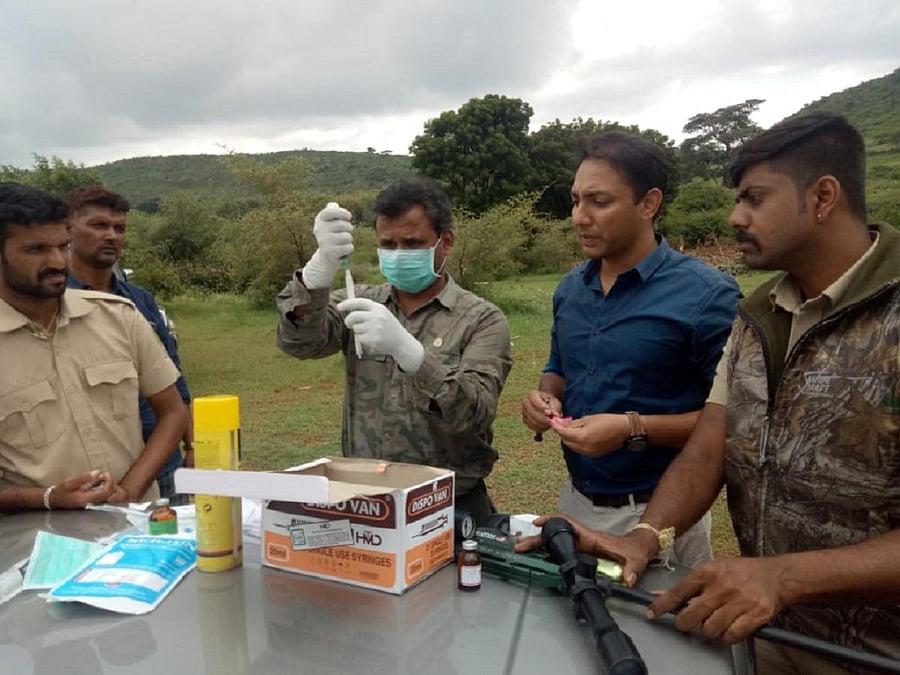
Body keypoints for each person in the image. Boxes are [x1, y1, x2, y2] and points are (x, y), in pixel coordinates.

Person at [518, 113, 900, 673]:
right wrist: (645, 537)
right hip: (766, 629)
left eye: (753, 198)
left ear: (822, 198)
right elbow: (708, 443)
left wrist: (784, 576)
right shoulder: (759, 316)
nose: (733, 217)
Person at [521, 132, 740, 567]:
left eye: (599, 202)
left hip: (661, 513)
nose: (579, 217)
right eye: (575, 200)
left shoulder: (706, 295)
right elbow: (558, 365)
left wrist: (630, 427)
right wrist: (546, 396)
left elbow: (732, 418)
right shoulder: (571, 289)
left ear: (648, 204)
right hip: (577, 502)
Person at [276, 178, 512, 524]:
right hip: (364, 498)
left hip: (448, 505)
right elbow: (300, 342)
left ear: (445, 242)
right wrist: (318, 271)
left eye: (412, 243)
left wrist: (413, 356)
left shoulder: (482, 319)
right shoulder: (361, 303)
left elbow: (474, 413)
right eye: (388, 244)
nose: (399, 254)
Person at [0, 183, 189, 511]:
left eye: (63, 246)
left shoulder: (119, 315)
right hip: (39, 544)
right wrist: (47, 498)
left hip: (140, 529)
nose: (58, 261)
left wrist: (129, 491)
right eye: (37, 250)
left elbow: (173, 411)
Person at [66, 186, 193, 504]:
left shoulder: (139, 301)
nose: (111, 235)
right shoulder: (53, 303)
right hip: (92, 476)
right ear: (67, 230)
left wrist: (194, 446)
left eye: (118, 228)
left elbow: (175, 381)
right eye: (98, 226)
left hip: (163, 464)